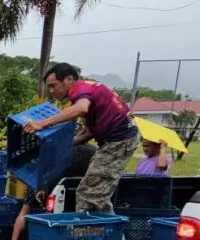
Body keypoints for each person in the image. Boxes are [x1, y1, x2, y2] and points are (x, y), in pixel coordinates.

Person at [27, 62, 141, 213]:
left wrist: (42, 124)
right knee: (98, 193)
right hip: (115, 142)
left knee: (87, 194)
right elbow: (88, 134)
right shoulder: (87, 92)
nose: (51, 91)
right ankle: (112, 232)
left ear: (69, 79)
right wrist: (61, 146)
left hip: (119, 141)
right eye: (49, 87)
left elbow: (81, 108)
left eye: (53, 85)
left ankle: (83, 232)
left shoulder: (80, 90)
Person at [11, 141, 98, 240]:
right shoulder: (94, 151)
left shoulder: (57, 150)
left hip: (52, 189)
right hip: (81, 191)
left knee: (24, 212)